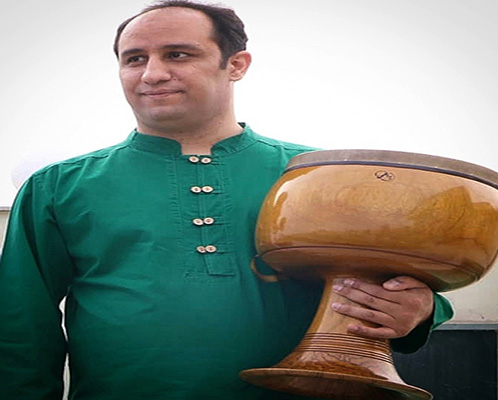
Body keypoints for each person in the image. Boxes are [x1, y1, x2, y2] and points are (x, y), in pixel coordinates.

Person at [0, 1, 453, 399]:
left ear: (236, 65)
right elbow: (20, 325)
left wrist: (422, 309)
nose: (152, 73)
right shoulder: (58, 185)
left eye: (178, 54)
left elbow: (409, 282)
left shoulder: (324, 176)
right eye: (134, 58)